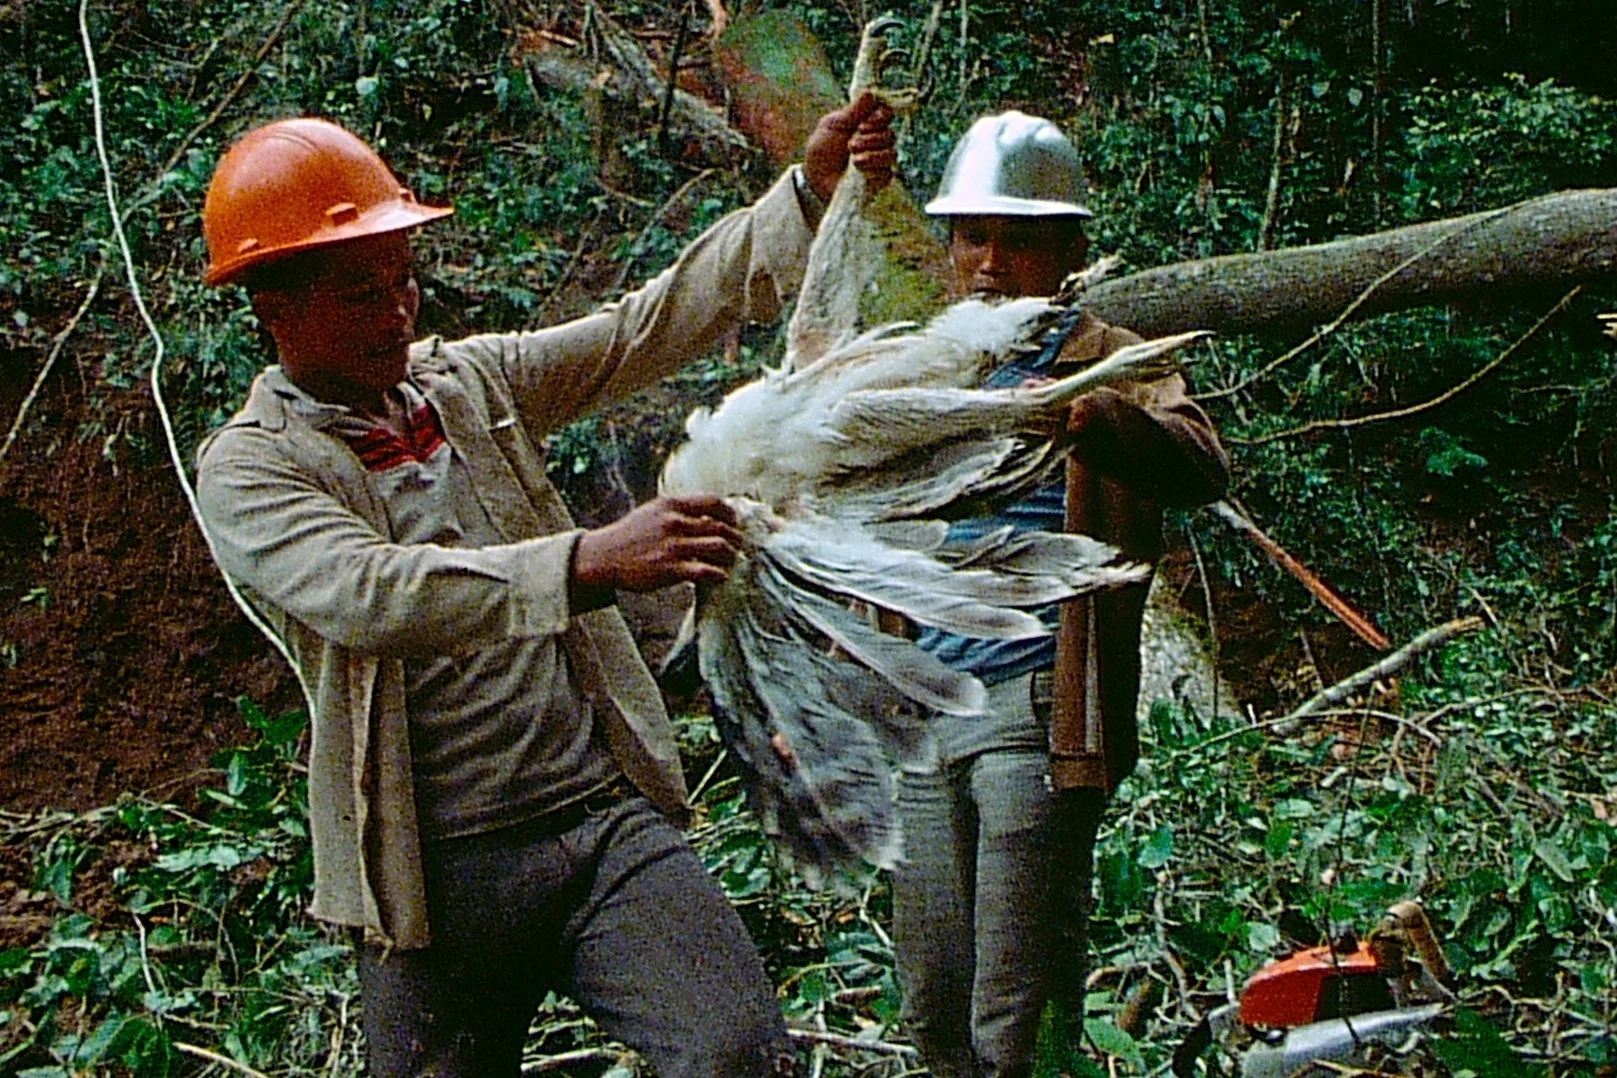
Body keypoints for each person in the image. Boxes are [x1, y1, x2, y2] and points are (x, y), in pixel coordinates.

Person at [193, 99, 895, 1078]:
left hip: (598, 817)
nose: (397, 313)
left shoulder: (466, 386)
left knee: (738, 1054)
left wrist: (805, 198)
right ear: (274, 310)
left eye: (403, 282)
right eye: (360, 294)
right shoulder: (251, 467)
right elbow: (371, 593)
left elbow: (636, 332)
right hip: (437, 871)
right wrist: (588, 561)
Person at [890, 111, 1230, 1078]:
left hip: (1034, 698)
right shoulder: (930, 361)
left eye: (1021, 242)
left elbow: (1201, 465)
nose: (991, 264)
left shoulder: (1114, 356)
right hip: (920, 704)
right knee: (931, 998)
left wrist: (1097, 417)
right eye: (972, 238)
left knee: (1017, 1007)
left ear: (1070, 253)